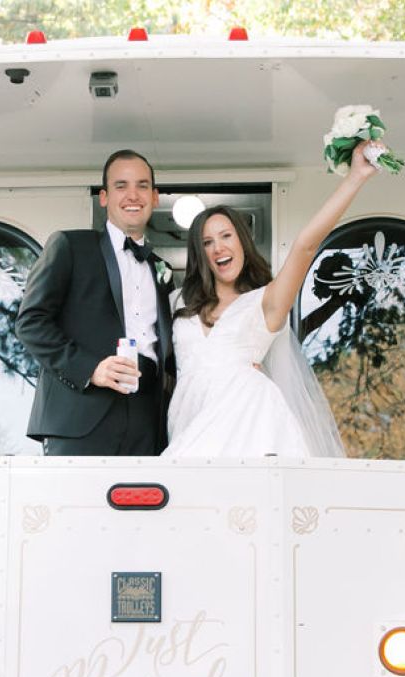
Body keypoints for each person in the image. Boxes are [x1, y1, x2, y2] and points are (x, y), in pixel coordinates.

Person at [163, 140, 382, 457]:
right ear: (200, 254)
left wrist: (355, 177)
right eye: (207, 242)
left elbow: (305, 246)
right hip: (187, 424)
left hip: (249, 421)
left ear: (242, 242)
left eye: (226, 236)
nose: (218, 248)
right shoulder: (177, 303)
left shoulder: (264, 304)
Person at [16, 149, 175, 455]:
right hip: (80, 416)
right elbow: (30, 323)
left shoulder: (164, 270)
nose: (133, 195)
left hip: (148, 421)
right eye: (121, 186)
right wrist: (90, 370)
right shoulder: (70, 246)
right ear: (103, 197)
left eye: (142, 186)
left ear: (155, 197)